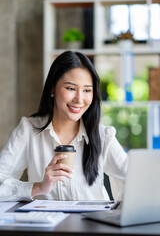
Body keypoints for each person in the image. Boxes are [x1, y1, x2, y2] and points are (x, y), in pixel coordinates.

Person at [0, 51, 128, 201]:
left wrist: (120, 211)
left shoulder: (103, 136)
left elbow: (134, 179)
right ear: (53, 88)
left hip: (92, 223)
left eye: (87, 90)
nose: (79, 99)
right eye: (71, 88)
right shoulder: (28, 130)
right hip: (46, 222)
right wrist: (38, 187)